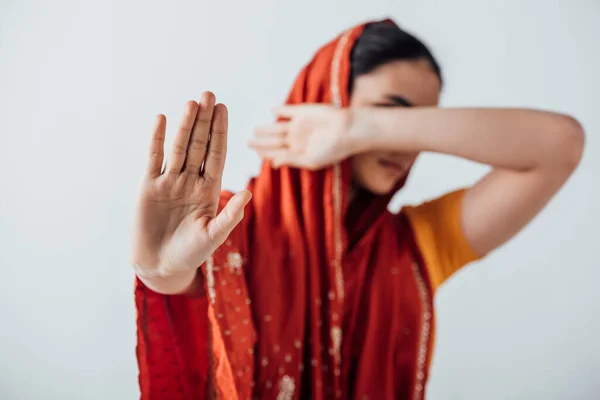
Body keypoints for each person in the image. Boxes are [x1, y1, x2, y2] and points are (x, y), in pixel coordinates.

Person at [130, 19, 584, 399]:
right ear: (324, 100)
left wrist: (364, 124)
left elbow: (561, 144)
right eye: (391, 109)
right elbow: (179, 279)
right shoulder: (228, 225)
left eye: (416, 126)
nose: (404, 144)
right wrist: (157, 269)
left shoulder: (414, 246)